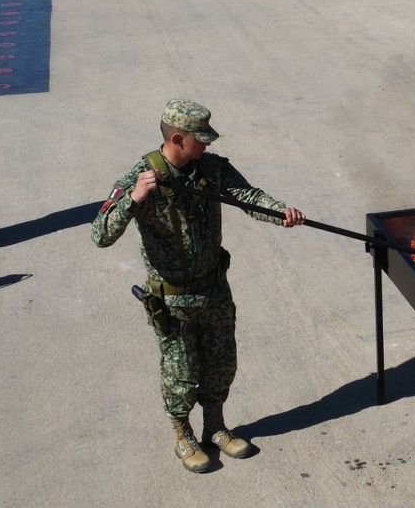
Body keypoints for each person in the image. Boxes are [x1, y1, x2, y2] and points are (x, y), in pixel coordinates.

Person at [91, 100, 306, 473]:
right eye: (200, 140)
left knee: (221, 363)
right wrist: (133, 200)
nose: (206, 145)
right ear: (177, 139)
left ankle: (215, 427)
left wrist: (280, 212)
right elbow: (100, 234)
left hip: (214, 290)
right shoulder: (140, 178)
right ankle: (183, 434)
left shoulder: (211, 168)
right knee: (182, 374)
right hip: (173, 299)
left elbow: (248, 196)